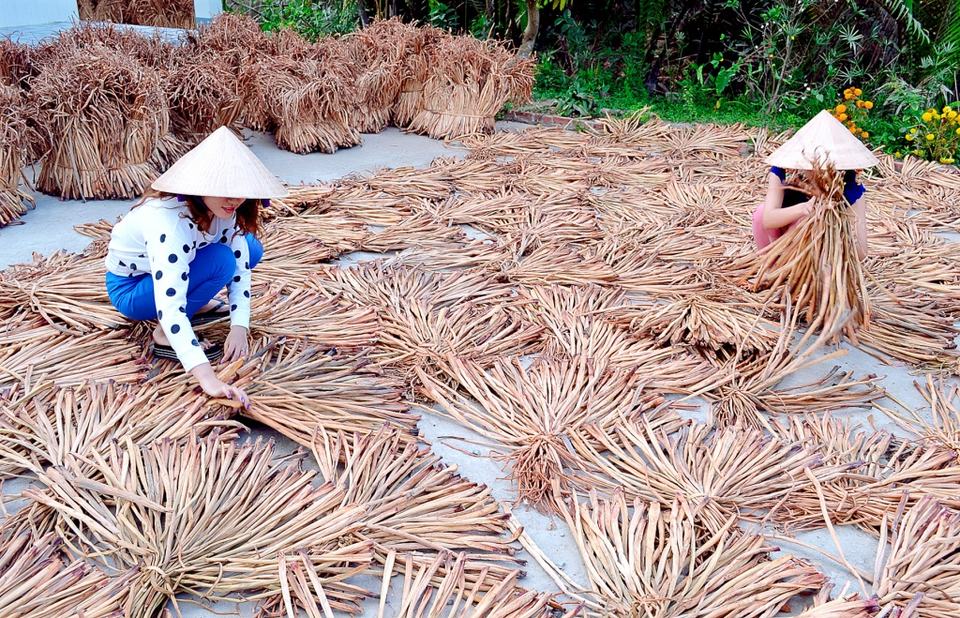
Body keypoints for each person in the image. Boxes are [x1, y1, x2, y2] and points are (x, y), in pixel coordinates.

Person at [104, 127, 288, 406]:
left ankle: (197, 301)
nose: (234, 200)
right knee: (221, 261)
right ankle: (163, 334)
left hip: (179, 264)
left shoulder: (220, 208)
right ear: (201, 185)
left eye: (240, 192)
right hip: (133, 289)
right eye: (224, 191)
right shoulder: (169, 224)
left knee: (250, 248)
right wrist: (208, 379)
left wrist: (239, 326)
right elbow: (170, 304)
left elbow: (242, 268)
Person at [753, 109, 877, 258]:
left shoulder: (850, 187)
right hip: (779, 247)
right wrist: (803, 209)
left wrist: (835, 226)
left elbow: (862, 252)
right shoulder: (784, 171)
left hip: (816, 258)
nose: (818, 171)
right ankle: (771, 262)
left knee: (809, 222)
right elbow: (767, 219)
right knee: (761, 213)